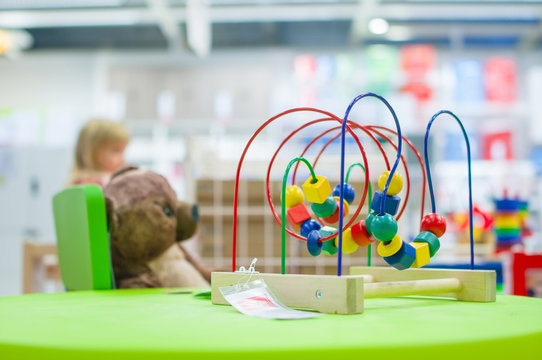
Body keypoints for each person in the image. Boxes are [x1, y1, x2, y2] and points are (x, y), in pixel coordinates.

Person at [67, 119, 130, 187]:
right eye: (116, 150)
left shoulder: (112, 178)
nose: (122, 158)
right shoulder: (90, 183)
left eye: (122, 151)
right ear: (93, 152)